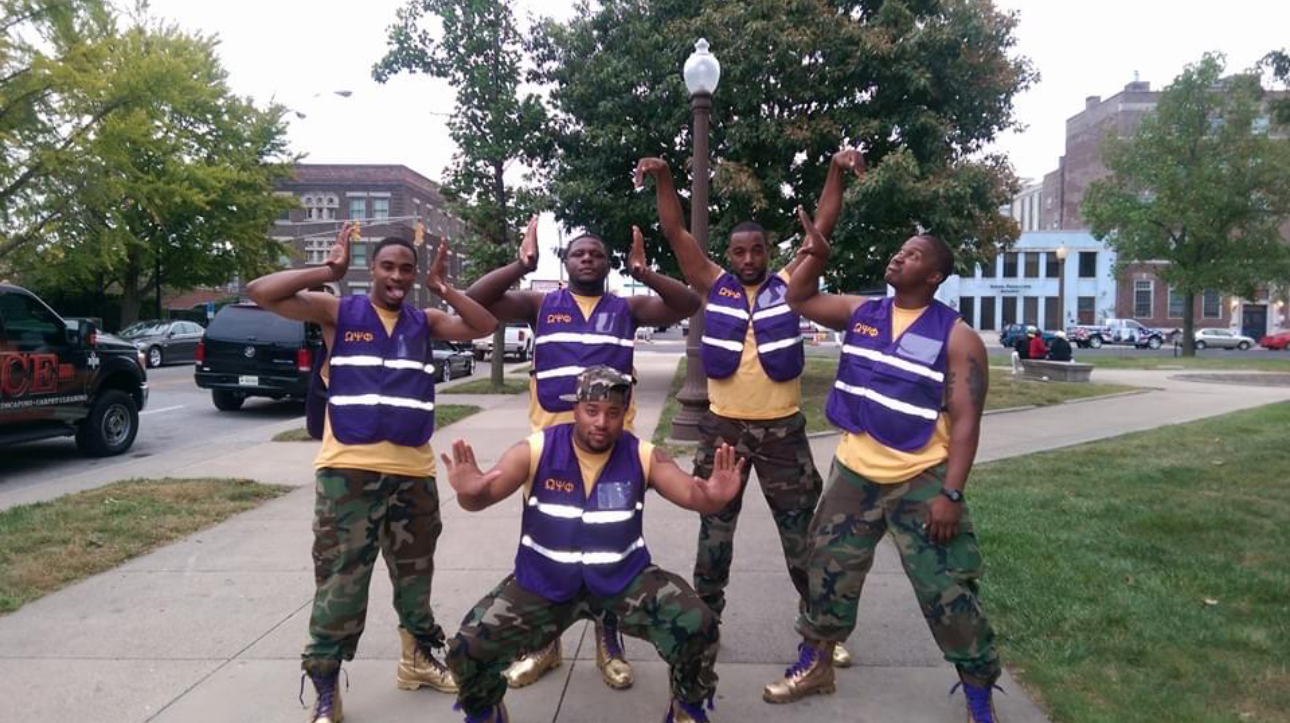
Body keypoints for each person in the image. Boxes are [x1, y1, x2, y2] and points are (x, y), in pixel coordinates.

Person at [246, 223, 498, 723]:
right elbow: (261, 292)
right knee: (341, 581)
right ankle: (325, 684)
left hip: (413, 474)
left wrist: (444, 288)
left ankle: (418, 659)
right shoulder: (339, 312)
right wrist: (328, 270)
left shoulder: (424, 321)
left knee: (415, 577)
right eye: (388, 267)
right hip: (348, 474)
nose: (397, 276)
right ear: (373, 270)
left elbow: (483, 325)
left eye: (406, 269)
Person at [761, 209, 1004, 723]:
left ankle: (978, 690)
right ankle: (817, 664)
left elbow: (966, 421)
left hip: (921, 479)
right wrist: (816, 254)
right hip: (854, 474)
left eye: (912, 255)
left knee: (946, 589)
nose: (898, 256)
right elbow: (799, 297)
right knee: (826, 571)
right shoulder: (863, 311)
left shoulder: (957, 337)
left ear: (933, 276)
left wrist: (951, 494)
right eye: (900, 250)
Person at [633, 149, 865, 668]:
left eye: (757, 250)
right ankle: (705, 624)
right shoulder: (712, 284)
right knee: (714, 535)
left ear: (768, 251)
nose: (748, 259)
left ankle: (821, 631)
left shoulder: (790, 285)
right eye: (739, 251)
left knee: (801, 536)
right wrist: (665, 177)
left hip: (783, 433)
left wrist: (834, 169)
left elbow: (823, 224)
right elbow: (675, 231)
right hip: (724, 433)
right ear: (729, 254)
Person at [464, 219, 700, 690]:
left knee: (609, 546)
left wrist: (646, 273)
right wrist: (520, 265)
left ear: (609, 264)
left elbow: (688, 303)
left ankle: (608, 640)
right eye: (579, 253)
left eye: (596, 253)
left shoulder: (627, 308)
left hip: (612, 446)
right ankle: (544, 644)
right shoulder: (541, 305)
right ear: (565, 262)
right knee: (548, 543)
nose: (588, 259)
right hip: (549, 448)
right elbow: (475, 299)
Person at [441, 366, 742, 723]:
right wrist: (469, 492)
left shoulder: (642, 454)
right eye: (592, 410)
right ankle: (485, 711)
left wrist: (713, 497)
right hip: (543, 582)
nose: (602, 422)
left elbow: (692, 494)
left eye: (613, 413)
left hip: (623, 580)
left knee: (698, 623)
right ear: (576, 409)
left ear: (625, 413)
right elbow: (483, 495)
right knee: (467, 648)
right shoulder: (536, 449)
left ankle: (686, 706)